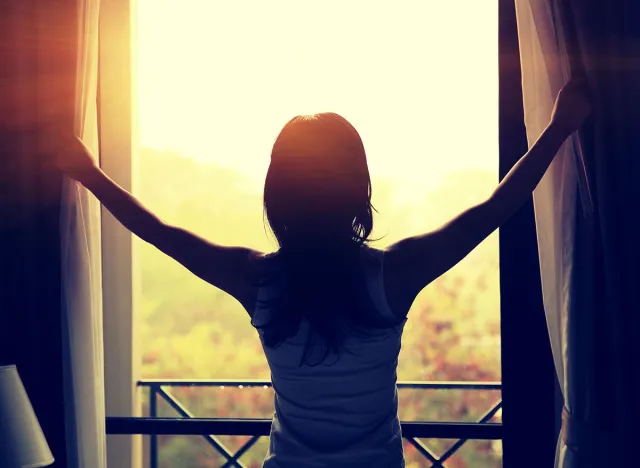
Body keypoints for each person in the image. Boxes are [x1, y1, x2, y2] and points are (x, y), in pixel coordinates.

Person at [50, 78, 591, 468]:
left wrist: (89, 174)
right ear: (358, 189)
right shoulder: (392, 275)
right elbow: (493, 210)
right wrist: (560, 128)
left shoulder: (257, 280)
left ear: (277, 195)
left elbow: (158, 231)